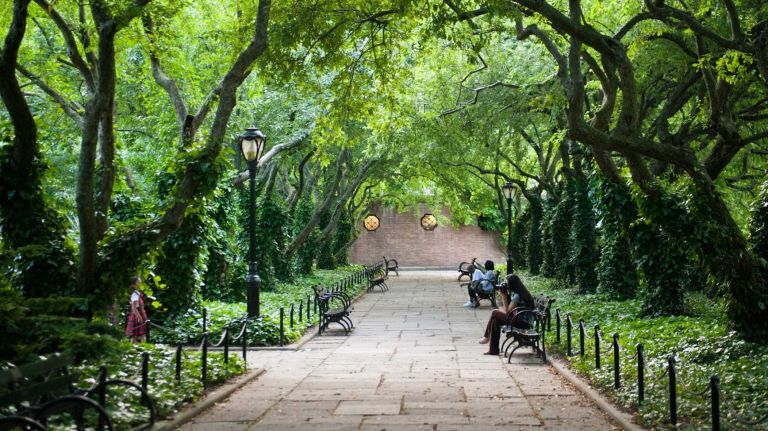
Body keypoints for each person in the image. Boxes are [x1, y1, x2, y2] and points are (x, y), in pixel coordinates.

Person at [479, 274, 534, 355]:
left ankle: (486, 337)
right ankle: (493, 350)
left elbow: (507, 312)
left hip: (522, 323)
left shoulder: (517, 296)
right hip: (520, 319)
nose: (506, 285)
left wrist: (503, 296)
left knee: (494, 312)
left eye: (507, 283)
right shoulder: (520, 293)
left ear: (512, 284)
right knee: (496, 320)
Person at [125, 276, 148, 343]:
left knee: (141, 335)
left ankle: (142, 348)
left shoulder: (138, 293)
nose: (140, 283)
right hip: (137, 316)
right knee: (136, 335)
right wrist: (139, 317)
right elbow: (134, 308)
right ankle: (138, 348)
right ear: (134, 284)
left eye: (140, 282)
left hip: (140, 315)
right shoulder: (135, 294)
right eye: (138, 282)